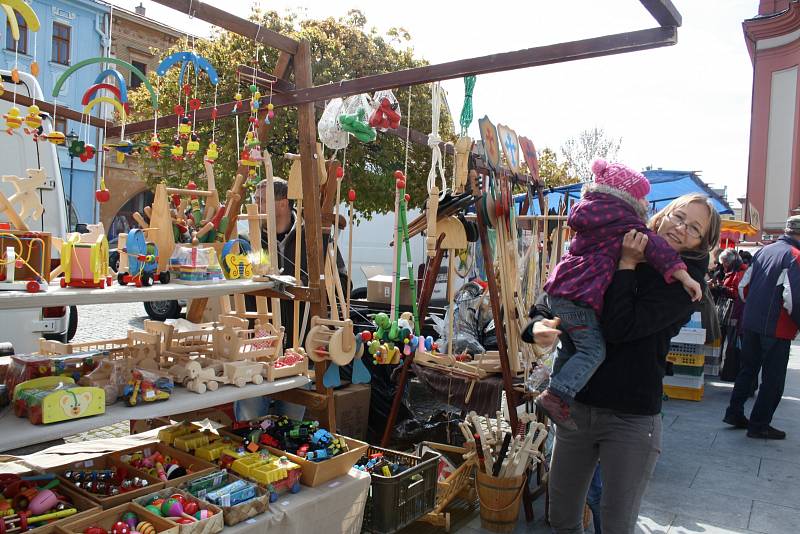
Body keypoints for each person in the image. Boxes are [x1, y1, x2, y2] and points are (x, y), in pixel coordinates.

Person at [524, 193, 720, 534]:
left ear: (703, 242)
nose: (681, 229)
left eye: (694, 228)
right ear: (664, 214)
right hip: (576, 410)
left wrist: (626, 265)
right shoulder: (623, 237)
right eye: (679, 217)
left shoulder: (685, 283)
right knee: (562, 517)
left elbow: (619, 327)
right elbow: (566, 281)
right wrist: (537, 323)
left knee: (616, 524)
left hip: (630, 417)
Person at [535, 159, 702, 429]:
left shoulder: (591, 213)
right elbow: (657, 250)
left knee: (571, 346)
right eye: (679, 217)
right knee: (592, 351)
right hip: (580, 301)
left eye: (694, 228)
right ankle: (556, 396)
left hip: (563, 291)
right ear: (630, 198)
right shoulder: (625, 222)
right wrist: (682, 274)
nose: (646, 204)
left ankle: (558, 394)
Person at [245, 177, 348, 347]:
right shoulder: (248, 241)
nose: (255, 206)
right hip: (263, 344)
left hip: (308, 343)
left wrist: (305, 285)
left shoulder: (315, 238)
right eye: (255, 200)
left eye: (261, 201)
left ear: (283, 204)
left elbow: (342, 284)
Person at [723, 215, 800, 439]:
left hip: (752, 322)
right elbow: (794, 298)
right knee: (773, 380)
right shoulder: (795, 256)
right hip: (776, 326)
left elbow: (743, 288)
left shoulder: (765, 251)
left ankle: (734, 412)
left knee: (747, 371)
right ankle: (759, 424)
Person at [712, 249, 748, 382]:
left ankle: (729, 371)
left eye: (725, 263)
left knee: (731, 343)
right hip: (727, 311)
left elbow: (738, 292)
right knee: (726, 341)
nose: (724, 266)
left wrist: (721, 289)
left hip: (733, 312)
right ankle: (724, 368)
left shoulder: (740, 272)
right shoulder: (733, 271)